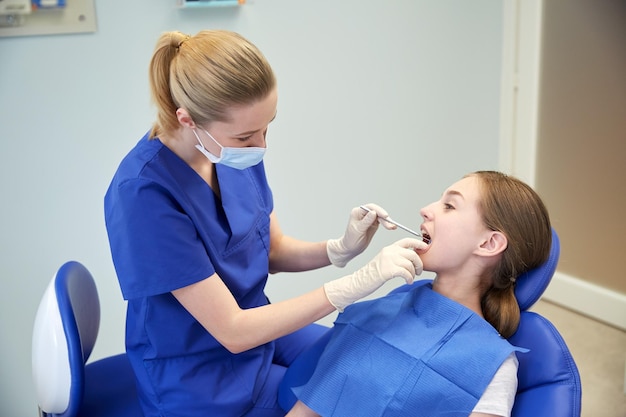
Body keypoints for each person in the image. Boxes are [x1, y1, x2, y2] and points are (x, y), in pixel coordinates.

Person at [104, 30, 427, 417]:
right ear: (188, 120)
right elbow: (233, 330)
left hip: (264, 329)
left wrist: (340, 249)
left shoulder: (231, 151)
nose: (261, 146)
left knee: (364, 358)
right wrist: (354, 284)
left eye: (267, 126)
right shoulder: (143, 194)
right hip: (200, 374)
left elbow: (270, 249)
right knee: (348, 398)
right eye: (246, 136)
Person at [282, 171, 552, 417]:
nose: (425, 210)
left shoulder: (493, 366)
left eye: (449, 206)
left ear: (488, 243)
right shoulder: (377, 313)